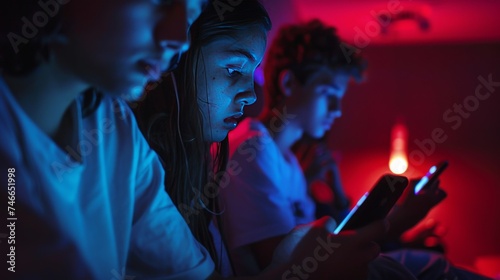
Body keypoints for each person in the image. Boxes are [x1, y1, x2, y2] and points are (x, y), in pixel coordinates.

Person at [0, 0, 383, 279]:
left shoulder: (116, 129)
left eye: (190, 11)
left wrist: (294, 267)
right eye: (159, 3)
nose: (178, 38)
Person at [134, 1, 402, 279]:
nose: (250, 95)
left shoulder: (200, 169)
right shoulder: (246, 149)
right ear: (178, 59)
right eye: (234, 70)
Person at [219, 19, 492, 280]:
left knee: (428, 265)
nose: (337, 111)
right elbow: (292, 268)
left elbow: (322, 251)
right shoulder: (252, 150)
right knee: (431, 268)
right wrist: (395, 222)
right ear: (289, 83)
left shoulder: (288, 162)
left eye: (340, 98)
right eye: (328, 94)